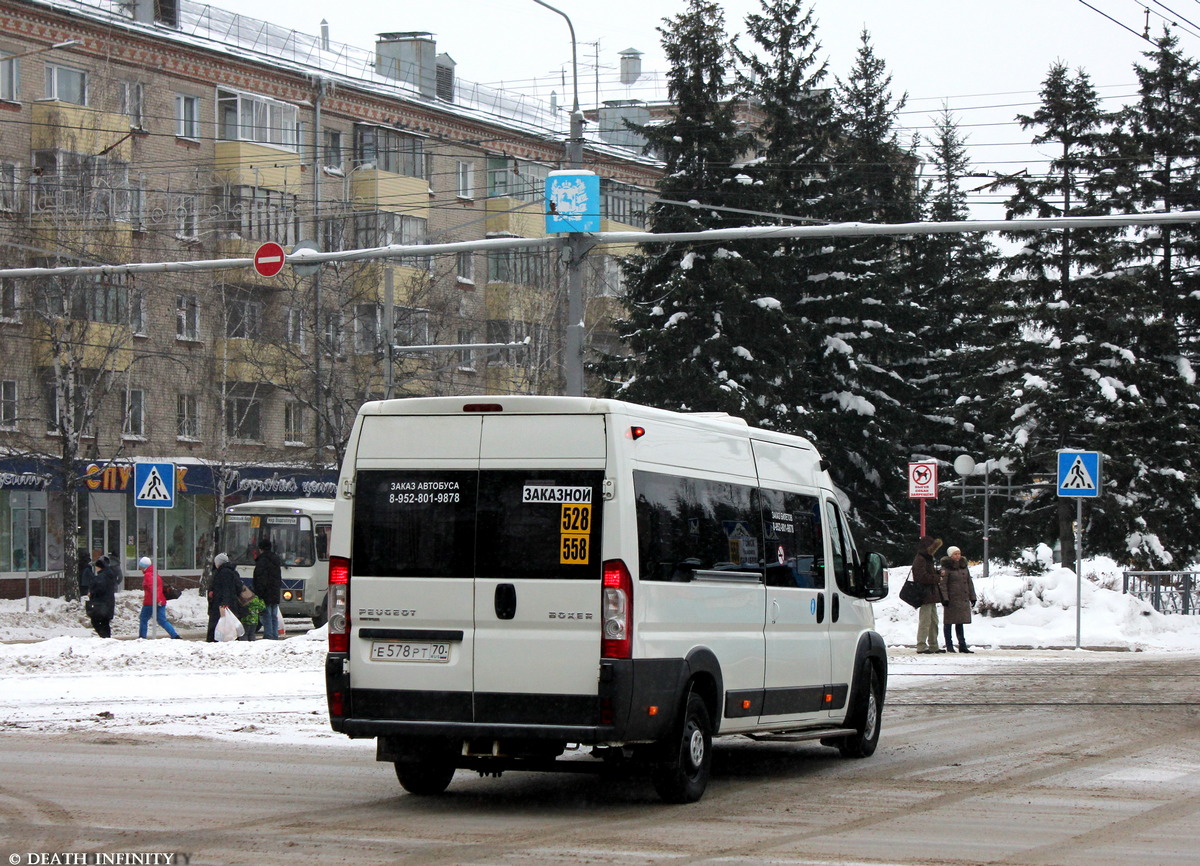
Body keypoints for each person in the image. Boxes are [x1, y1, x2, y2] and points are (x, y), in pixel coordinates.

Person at [940, 546, 977, 653]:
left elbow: (969, 583)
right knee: (949, 622)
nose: (957, 556)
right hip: (951, 599)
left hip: (962, 598)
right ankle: (949, 645)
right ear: (950, 556)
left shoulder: (964, 567)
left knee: (960, 622)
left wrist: (972, 597)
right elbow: (943, 585)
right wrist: (945, 598)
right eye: (955, 554)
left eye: (959, 553)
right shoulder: (946, 568)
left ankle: (962, 644)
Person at [912, 535, 944, 654]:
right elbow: (921, 576)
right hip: (925, 593)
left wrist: (937, 573)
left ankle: (933, 645)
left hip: (930, 593)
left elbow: (926, 573)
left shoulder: (927, 558)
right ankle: (921, 645)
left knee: (933, 621)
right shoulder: (921, 559)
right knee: (925, 621)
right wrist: (937, 577)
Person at [137, 556, 181, 640]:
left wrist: (156, 600)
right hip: (161, 600)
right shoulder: (155, 574)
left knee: (143, 619)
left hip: (150, 602)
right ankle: (175, 635)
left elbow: (152, 588)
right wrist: (159, 600)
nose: (140, 569)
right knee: (162, 620)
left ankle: (142, 637)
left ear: (143, 567)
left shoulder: (148, 575)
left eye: (141, 567)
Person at [206, 552, 246, 642]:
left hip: (222, 604)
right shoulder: (231, 571)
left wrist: (225, 602)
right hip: (228, 603)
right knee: (228, 624)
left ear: (219, 563)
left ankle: (219, 641)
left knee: (220, 625)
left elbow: (226, 588)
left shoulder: (224, 573)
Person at [252, 538, 283, 640]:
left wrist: (258, 593)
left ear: (261, 549)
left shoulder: (262, 561)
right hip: (274, 592)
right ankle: (274, 635)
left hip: (266, 593)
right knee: (273, 615)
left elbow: (260, 579)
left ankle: (268, 636)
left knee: (266, 615)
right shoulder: (276, 560)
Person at [86, 554, 121, 638]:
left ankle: (105, 638)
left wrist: (92, 593)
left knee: (96, 621)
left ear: (100, 567)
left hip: (101, 605)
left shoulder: (101, 577)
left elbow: (99, 589)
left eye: (97, 566)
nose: (96, 568)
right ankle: (106, 639)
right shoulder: (108, 575)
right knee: (105, 623)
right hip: (107, 604)